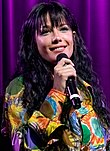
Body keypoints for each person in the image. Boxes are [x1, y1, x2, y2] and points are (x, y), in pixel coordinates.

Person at [1, 1, 110, 151]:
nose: (57, 37)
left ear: (73, 37)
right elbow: (22, 147)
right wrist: (56, 92)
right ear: (33, 42)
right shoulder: (19, 88)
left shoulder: (85, 87)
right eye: (46, 31)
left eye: (63, 29)